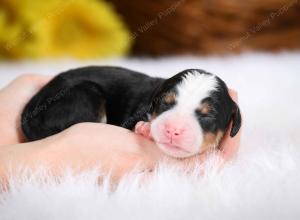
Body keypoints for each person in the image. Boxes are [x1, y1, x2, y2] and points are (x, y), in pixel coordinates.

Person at [0, 74, 241, 184]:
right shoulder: (142, 113)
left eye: (204, 117)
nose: (173, 129)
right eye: (167, 107)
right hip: (74, 95)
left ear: (231, 123)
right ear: (155, 103)